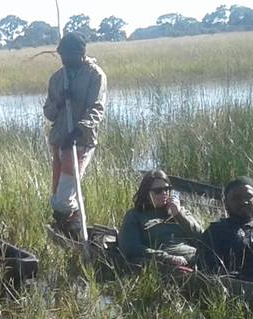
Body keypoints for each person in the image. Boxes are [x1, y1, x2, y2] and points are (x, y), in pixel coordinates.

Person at [43, 32, 107, 232]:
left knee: (64, 198)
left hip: (80, 141)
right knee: (57, 193)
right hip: (59, 140)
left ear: (80, 54)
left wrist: (78, 131)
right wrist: (61, 101)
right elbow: (49, 113)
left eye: (68, 56)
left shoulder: (95, 75)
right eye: (61, 56)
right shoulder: (57, 78)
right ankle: (68, 228)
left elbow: (97, 109)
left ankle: (76, 223)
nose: (64, 60)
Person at [118, 170, 204, 270]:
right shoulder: (135, 215)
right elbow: (130, 247)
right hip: (175, 261)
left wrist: (179, 214)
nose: (164, 194)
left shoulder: (179, 211)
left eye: (167, 189)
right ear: (146, 193)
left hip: (197, 256)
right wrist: (165, 257)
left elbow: (203, 237)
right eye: (158, 191)